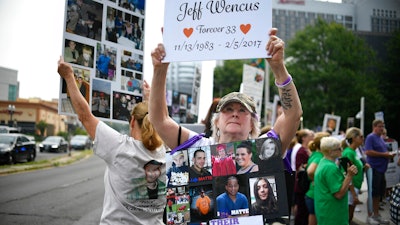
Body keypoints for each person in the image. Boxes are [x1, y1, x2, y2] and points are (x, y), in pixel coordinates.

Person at [149, 28, 302, 155]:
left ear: (252, 125)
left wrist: (278, 67)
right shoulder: (197, 146)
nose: (235, 114)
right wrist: (159, 70)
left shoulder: (264, 149)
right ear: (216, 121)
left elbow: (293, 115)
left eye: (243, 110)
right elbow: (160, 120)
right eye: (228, 109)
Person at [57, 57, 167, 224]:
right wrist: (150, 99)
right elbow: (160, 118)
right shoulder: (163, 152)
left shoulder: (120, 147)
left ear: (131, 122)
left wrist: (69, 76)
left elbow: (85, 116)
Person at [314, 137, 358, 225]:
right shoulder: (330, 168)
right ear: (330, 152)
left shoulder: (324, 162)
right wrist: (349, 176)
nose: (341, 150)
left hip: (326, 211)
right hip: (333, 214)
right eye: (339, 148)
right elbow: (339, 194)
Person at [364, 119, 393, 225]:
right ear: (374, 126)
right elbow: (368, 151)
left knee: (379, 194)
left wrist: (388, 154)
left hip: (381, 169)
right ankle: (370, 216)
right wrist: (385, 155)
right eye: (380, 126)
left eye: (383, 126)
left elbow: (381, 151)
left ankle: (376, 215)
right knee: (373, 193)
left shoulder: (380, 138)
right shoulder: (370, 137)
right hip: (374, 168)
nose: (382, 128)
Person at [341, 127, 370, 224]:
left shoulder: (354, 151)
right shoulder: (348, 152)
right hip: (350, 189)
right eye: (361, 137)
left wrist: (362, 167)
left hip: (355, 187)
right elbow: (346, 173)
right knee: (348, 216)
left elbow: (354, 168)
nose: (363, 139)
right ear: (354, 138)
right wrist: (354, 194)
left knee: (350, 215)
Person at [304, 131, 330, 225]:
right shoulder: (319, 157)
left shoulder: (315, 153)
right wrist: (315, 180)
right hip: (314, 194)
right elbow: (310, 171)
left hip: (312, 194)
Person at [293, 129, 314, 225]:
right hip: (302, 186)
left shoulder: (304, 150)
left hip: (302, 185)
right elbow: (299, 168)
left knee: (303, 211)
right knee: (302, 212)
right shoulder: (301, 151)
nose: (313, 137)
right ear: (304, 138)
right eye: (310, 135)